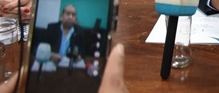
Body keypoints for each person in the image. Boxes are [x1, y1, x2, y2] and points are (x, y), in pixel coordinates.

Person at [0, 43, 129, 93]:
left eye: (73, 14)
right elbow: (36, 47)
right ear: (62, 16)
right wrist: (50, 55)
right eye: (67, 13)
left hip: (72, 69)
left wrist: (79, 56)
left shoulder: (79, 32)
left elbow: (84, 52)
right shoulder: (52, 28)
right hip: (49, 68)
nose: (70, 16)